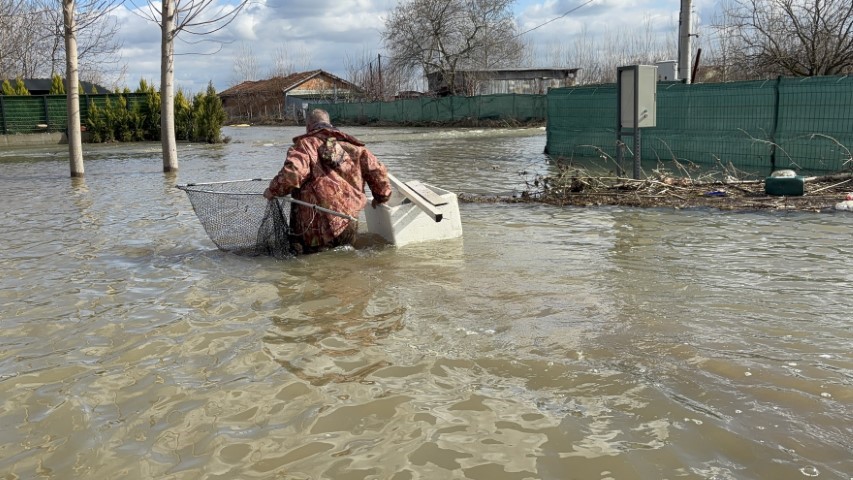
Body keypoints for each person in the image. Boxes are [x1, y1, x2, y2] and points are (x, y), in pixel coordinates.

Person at [264, 109, 392, 254]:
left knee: (316, 270)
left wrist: (273, 190)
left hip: (315, 228)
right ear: (329, 123)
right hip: (348, 223)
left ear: (308, 126)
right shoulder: (356, 147)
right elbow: (378, 171)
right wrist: (381, 197)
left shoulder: (306, 145)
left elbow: (293, 174)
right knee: (347, 266)